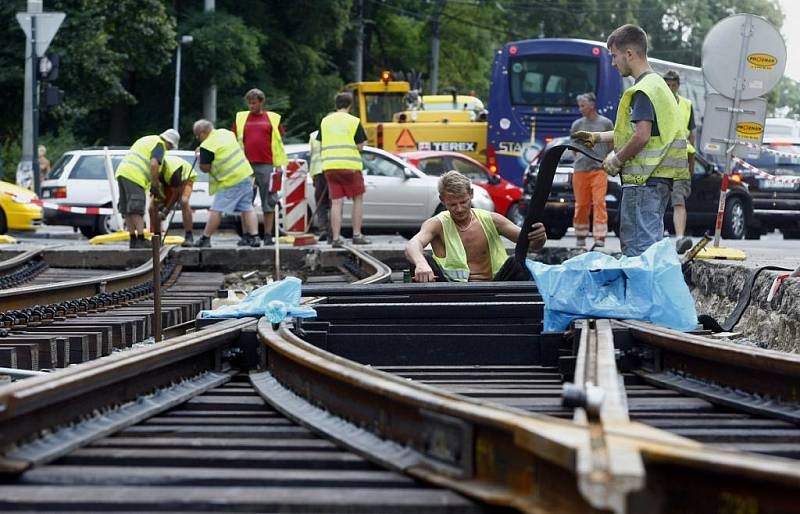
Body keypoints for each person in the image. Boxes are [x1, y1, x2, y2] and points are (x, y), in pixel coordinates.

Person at [572, 24, 688, 257]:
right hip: (659, 180)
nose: (613, 63)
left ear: (629, 54)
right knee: (651, 249)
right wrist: (598, 137)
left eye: (614, 56)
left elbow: (642, 135)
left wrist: (616, 159)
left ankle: (640, 294)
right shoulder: (660, 87)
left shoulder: (643, 90)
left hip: (642, 181)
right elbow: (645, 132)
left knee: (638, 251)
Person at [406, 170, 547, 282]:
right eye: (453, 204)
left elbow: (533, 244)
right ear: (442, 200)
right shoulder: (436, 224)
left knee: (518, 262)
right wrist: (421, 264)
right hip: (450, 290)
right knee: (418, 261)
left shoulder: (492, 220)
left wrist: (539, 236)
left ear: (471, 194)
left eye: (463, 202)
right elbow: (412, 245)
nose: (459, 209)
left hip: (494, 287)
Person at [232, 88, 288, 246]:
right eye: (249, 103)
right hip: (245, 165)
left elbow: (278, 143)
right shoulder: (241, 118)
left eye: (254, 103)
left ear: (261, 102)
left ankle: (268, 235)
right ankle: (246, 235)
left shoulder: (272, 119)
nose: (251, 106)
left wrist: (278, 166)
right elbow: (233, 139)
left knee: (269, 200)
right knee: (244, 201)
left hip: (267, 164)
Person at [192, 119, 259, 248]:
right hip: (246, 175)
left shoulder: (207, 146)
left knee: (216, 210)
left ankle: (205, 238)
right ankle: (255, 237)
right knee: (247, 208)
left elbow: (205, 168)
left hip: (229, 180)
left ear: (202, 132)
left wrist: (199, 156)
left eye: (197, 135)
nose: (198, 138)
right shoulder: (226, 133)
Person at [317, 92, 370, 247]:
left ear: (336, 104)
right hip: (350, 167)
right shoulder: (354, 121)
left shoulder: (325, 121)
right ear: (350, 104)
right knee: (358, 199)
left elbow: (321, 142)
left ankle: (336, 238)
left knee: (336, 203)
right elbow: (360, 145)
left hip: (330, 167)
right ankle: (357, 235)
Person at [115, 129, 180, 249]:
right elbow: (154, 164)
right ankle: (140, 238)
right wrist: (155, 185)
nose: (169, 150)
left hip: (123, 173)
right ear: (170, 143)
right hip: (135, 176)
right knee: (136, 209)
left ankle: (133, 240)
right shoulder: (160, 145)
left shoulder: (147, 139)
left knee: (127, 210)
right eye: (170, 148)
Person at [570, 93, 614, 249]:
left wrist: (601, 156)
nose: (580, 108)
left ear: (592, 105)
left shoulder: (606, 123)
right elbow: (573, 146)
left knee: (599, 203)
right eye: (579, 105)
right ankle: (580, 236)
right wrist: (580, 158)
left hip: (599, 169)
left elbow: (612, 143)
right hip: (581, 170)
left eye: (583, 105)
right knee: (581, 204)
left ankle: (599, 237)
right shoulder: (577, 125)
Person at [663, 70, 696, 254]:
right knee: (658, 200)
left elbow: (691, 134)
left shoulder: (686, 105)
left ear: (678, 85)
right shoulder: (657, 103)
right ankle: (656, 238)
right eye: (667, 85)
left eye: (673, 85)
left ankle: (680, 238)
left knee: (679, 200)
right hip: (659, 159)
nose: (670, 88)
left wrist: (692, 161)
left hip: (681, 159)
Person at [149, 154, 197, 246]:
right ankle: (157, 238)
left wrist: (166, 211)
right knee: (152, 207)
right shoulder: (152, 170)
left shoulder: (173, 171)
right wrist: (158, 204)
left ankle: (189, 236)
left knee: (183, 201)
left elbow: (176, 193)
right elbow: (155, 191)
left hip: (184, 178)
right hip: (166, 181)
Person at [308, 129, 331, 241]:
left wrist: (312, 175)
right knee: (333, 202)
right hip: (331, 170)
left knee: (321, 202)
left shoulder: (313, 135)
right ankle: (332, 231)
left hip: (318, 172)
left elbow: (312, 156)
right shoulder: (334, 133)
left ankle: (323, 229)